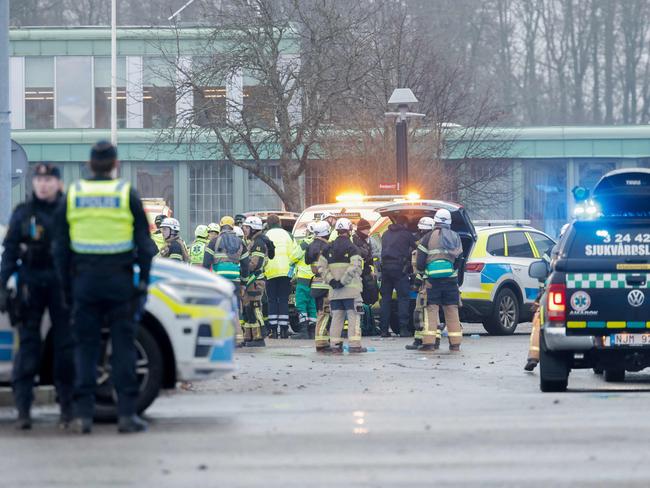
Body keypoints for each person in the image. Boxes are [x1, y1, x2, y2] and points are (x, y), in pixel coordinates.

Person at [54, 140, 157, 434]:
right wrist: (143, 283)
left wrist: (66, 286)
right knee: (123, 347)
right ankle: (126, 415)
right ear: (115, 164)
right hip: (119, 282)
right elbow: (145, 246)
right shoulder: (126, 193)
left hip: (84, 282)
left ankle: (83, 416)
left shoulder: (74, 194)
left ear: (89, 164)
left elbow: (60, 247)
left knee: (85, 348)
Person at [0, 163, 75, 430]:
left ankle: (67, 409)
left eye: (49, 179)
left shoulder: (69, 212)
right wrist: (1, 285)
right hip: (30, 284)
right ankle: (23, 411)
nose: (43, 184)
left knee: (65, 349)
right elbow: (9, 252)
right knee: (28, 349)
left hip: (61, 285)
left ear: (58, 183)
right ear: (34, 183)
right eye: (39, 179)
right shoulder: (24, 213)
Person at [414, 208, 463, 352]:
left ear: (435, 221)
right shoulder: (455, 236)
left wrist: (421, 275)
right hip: (450, 280)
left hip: (432, 281)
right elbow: (460, 258)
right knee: (452, 310)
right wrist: (454, 272)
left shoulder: (427, 237)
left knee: (431, 310)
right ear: (449, 222)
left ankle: (429, 344)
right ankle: (455, 344)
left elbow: (421, 261)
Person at [525, 223, 570, 371]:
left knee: (539, 321)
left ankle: (533, 356)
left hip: (554, 295)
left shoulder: (554, 250)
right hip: (582, 299)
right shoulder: (586, 248)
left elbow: (542, 271)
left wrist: (541, 295)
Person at [318, 218, 366, 353]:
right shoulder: (353, 248)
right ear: (349, 230)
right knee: (354, 317)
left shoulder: (328, 248)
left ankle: (335, 344)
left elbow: (321, 268)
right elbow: (354, 267)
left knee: (337, 318)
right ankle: (355, 344)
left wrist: (332, 281)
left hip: (335, 292)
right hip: (351, 291)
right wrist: (343, 281)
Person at [379, 214, 417, 337]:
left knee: (385, 299)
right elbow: (417, 247)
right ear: (405, 224)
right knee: (403, 298)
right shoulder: (406, 234)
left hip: (385, 269)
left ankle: (384, 330)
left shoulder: (385, 234)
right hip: (400, 269)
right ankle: (403, 329)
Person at [406, 217, 436, 350]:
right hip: (433, 281)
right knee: (432, 311)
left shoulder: (424, 243)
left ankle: (420, 340)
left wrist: (417, 281)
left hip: (425, 281)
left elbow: (421, 265)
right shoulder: (436, 241)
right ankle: (435, 339)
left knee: (420, 310)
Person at [264, 214, 294, 338]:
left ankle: (272, 330)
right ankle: (283, 329)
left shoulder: (266, 236)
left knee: (271, 300)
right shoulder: (288, 235)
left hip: (270, 272)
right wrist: (292, 274)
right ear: (279, 223)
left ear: (268, 224)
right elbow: (293, 254)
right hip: (285, 272)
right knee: (283, 299)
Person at [240, 216, 268, 347]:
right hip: (251, 280)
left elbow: (254, 264)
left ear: (253, 228)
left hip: (256, 280)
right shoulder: (253, 241)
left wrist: (242, 265)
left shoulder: (258, 244)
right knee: (248, 308)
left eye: (246, 227)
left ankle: (259, 337)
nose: (244, 229)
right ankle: (249, 337)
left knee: (255, 307)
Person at [306, 221, 333, 352]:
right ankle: (321, 342)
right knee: (325, 314)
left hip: (315, 284)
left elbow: (307, 261)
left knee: (319, 313)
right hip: (326, 285)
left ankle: (323, 340)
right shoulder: (327, 247)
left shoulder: (310, 246)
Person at [289, 223, 317, 340]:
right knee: (312, 305)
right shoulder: (321, 243)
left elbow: (293, 257)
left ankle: (304, 331)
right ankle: (313, 331)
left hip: (304, 279)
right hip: (316, 280)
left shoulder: (305, 243)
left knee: (301, 305)